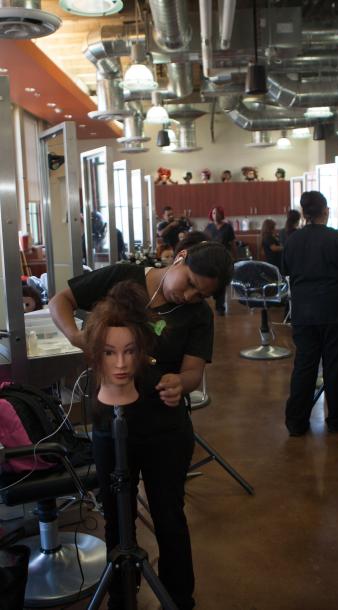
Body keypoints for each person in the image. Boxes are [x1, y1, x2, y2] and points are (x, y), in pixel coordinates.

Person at [49, 241, 234, 610]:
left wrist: (180, 383)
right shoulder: (122, 277)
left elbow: (194, 371)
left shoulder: (198, 315)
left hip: (165, 428)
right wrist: (77, 337)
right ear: (179, 259)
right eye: (191, 282)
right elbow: (60, 301)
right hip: (111, 423)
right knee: (118, 516)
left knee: (169, 516)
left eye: (201, 293)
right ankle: (122, 596)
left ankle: (178, 599)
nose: (190, 295)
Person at [283, 191, 338, 437]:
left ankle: (296, 422)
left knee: (304, 366)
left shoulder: (293, 240)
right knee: (337, 367)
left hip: (303, 312)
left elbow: (288, 272)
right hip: (336, 312)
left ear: (304, 211)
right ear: (326, 211)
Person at [204, 206, 237, 315]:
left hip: (223, 258)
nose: (215, 215)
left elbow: (232, 243)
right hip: (210, 258)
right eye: (213, 213)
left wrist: (234, 257)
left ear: (221, 214)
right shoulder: (208, 227)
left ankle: (220, 306)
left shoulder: (228, 227)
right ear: (211, 215)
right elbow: (204, 242)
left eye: (217, 213)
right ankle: (215, 298)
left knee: (222, 281)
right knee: (213, 280)